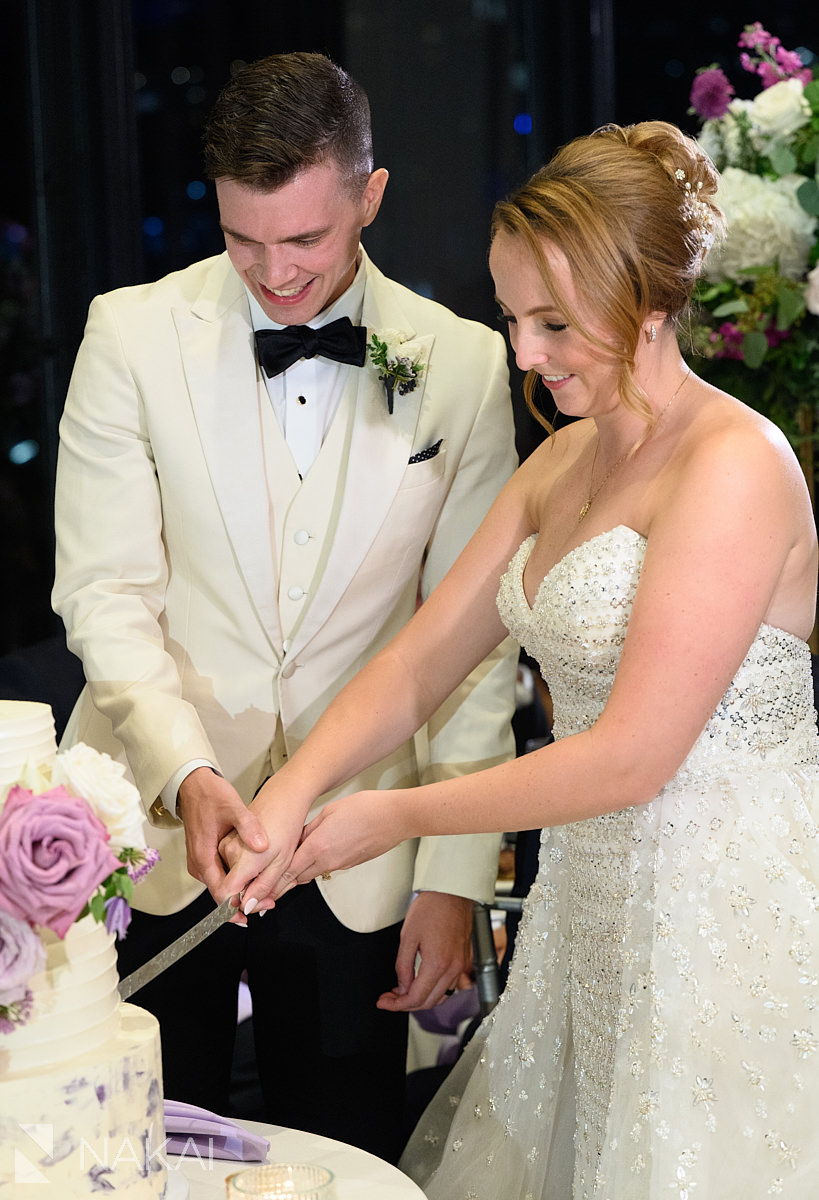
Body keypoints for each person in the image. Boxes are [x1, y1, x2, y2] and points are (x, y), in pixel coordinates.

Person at [219, 119, 819, 1197]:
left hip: (721, 918)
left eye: (555, 323)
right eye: (512, 319)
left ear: (650, 302)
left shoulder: (735, 466)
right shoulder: (565, 460)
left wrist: (391, 815)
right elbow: (419, 663)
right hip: (590, 900)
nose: (525, 355)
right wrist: (290, 796)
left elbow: (635, 757)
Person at [51, 52, 518, 1161]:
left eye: (306, 239)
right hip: (154, 836)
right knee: (132, 1156)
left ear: (372, 193)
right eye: (243, 239)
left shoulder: (463, 365)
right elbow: (105, 592)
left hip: (356, 853)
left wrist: (452, 877)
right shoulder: (128, 335)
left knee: (344, 1151)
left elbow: (468, 646)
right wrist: (188, 773)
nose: (275, 274)